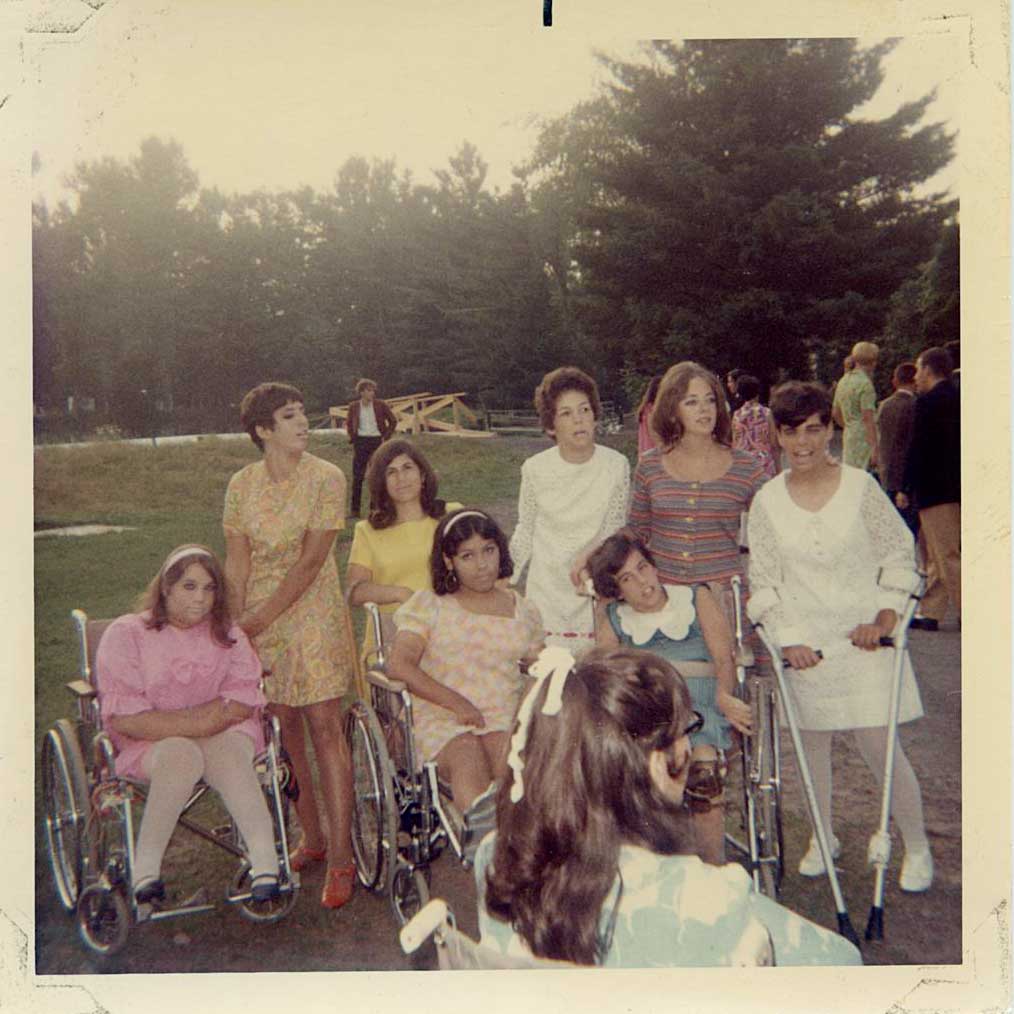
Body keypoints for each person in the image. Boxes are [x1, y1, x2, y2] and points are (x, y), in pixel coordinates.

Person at [476, 645, 862, 967]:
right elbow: (841, 964)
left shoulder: (497, 857)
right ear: (657, 763)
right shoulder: (704, 894)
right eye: (685, 731)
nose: (690, 747)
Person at [747, 381, 933, 891]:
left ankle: (916, 845)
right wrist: (788, 640)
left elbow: (900, 556)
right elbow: (763, 582)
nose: (803, 443)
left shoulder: (860, 487)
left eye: (814, 430)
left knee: (881, 748)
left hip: (865, 640)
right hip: (809, 649)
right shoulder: (766, 501)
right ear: (776, 435)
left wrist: (884, 620)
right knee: (812, 755)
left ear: (830, 428)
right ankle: (822, 835)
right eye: (791, 432)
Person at [224, 382, 356, 909]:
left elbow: (309, 562)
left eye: (304, 413)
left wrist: (259, 617)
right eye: (289, 416)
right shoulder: (240, 484)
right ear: (263, 430)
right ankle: (313, 839)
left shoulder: (327, 478)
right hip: (259, 621)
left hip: (313, 612)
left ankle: (343, 855)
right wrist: (236, 622)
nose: (303, 423)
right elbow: (236, 560)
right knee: (283, 732)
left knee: (326, 727)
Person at [97, 545, 280, 906]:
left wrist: (200, 723)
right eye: (189, 586)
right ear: (166, 587)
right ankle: (146, 869)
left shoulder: (226, 633)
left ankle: (266, 861)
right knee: (181, 754)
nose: (201, 598)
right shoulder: (127, 634)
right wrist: (196, 723)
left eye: (210, 588)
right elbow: (126, 716)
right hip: (151, 744)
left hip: (224, 734)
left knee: (227, 753)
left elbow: (242, 699)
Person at [588, 533, 751, 865]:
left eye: (643, 567)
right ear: (617, 591)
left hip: (701, 711)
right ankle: (660, 868)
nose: (643, 582)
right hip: (650, 719)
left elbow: (723, 658)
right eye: (627, 579)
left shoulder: (694, 598)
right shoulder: (616, 621)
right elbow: (605, 677)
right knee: (637, 779)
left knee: (703, 777)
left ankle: (712, 870)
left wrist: (724, 696)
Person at [388, 509, 544, 815]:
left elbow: (539, 667)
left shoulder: (523, 611)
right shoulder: (430, 605)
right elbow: (400, 665)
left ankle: (521, 845)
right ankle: (484, 843)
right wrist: (457, 703)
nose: (482, 564)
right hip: (443, 715)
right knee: (466, 755)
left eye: (488, 550)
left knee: (515, 767)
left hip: (501, 715)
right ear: (449, 561)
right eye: (467, 556)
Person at [629, 361, 766, 629]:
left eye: (710, 400)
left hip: (723, 602)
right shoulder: (650, 465)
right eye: (691, 402)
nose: (704, 409)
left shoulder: (745, 466)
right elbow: (636, 532)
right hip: (664, 602)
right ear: (671, 410)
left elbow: (780, 517)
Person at [508, 366, 629, 651]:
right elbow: (526, 529)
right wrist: (506, 575)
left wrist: (590, 565)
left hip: (593, 585)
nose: (578, 420)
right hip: (547, 590)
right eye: (566, 413)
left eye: (584, 410)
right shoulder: (535, 469)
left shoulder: (616, 465)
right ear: (551, 426)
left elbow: (613, 529)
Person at [345, 439, 460, 665]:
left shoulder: (451, 516)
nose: (401, 478)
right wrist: (401, 594)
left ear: (423, 475)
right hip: (393, 635)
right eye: (391, 472)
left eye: (407, 468)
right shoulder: (368, 531)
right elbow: (354, 591)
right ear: (382, 482)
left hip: (450, 629)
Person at [898, 347, 961, 632]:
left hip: (936, 489)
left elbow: (917, 447)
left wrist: (905, 486)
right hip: (955, 485)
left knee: (946, 554)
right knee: (938, 552)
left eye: (919, 369)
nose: (916, 376)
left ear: (928, 370)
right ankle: (932, 611)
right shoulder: (958, 397)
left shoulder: (927, 403)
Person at [345, 377, 397, 518]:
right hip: (360, 442)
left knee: (376, 475)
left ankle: (375, 508)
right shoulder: (354, 406)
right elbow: (349, 423)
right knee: (358, 477)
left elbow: (393, 420)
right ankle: (354, 511)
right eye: (368, 390)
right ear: (361, 392)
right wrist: (352, 436)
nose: (372, 393)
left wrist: (385, 437)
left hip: (376, 442)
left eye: (373, 390)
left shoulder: (380, 404)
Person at [876, 362, 918, 533]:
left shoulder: (884, 405)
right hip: (905, 478)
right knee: (910, 528)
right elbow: (908, 446)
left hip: (887, 474)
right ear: (914, 380)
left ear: (895, 382)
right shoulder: (914, 406)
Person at [831, 341, 879, 470]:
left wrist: (848, 425)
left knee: (851, 476)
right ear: (873, 361)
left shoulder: (844, 380)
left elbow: (835, 412)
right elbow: (868, 417)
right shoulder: (865, 384)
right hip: (864, 438)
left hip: (849, 434)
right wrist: (875, 447)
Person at [731, 374, 781, 479]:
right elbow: (774, 444)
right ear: (757, 392)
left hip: (744, 467)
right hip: (764, 465)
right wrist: (779, 469)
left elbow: (734, 443)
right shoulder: (766, 413)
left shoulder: (736, 415)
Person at [635, 376, 661, 456]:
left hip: (646, 452)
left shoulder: (646, 407)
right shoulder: (651, 408)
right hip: (652, 452)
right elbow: (652, 432)